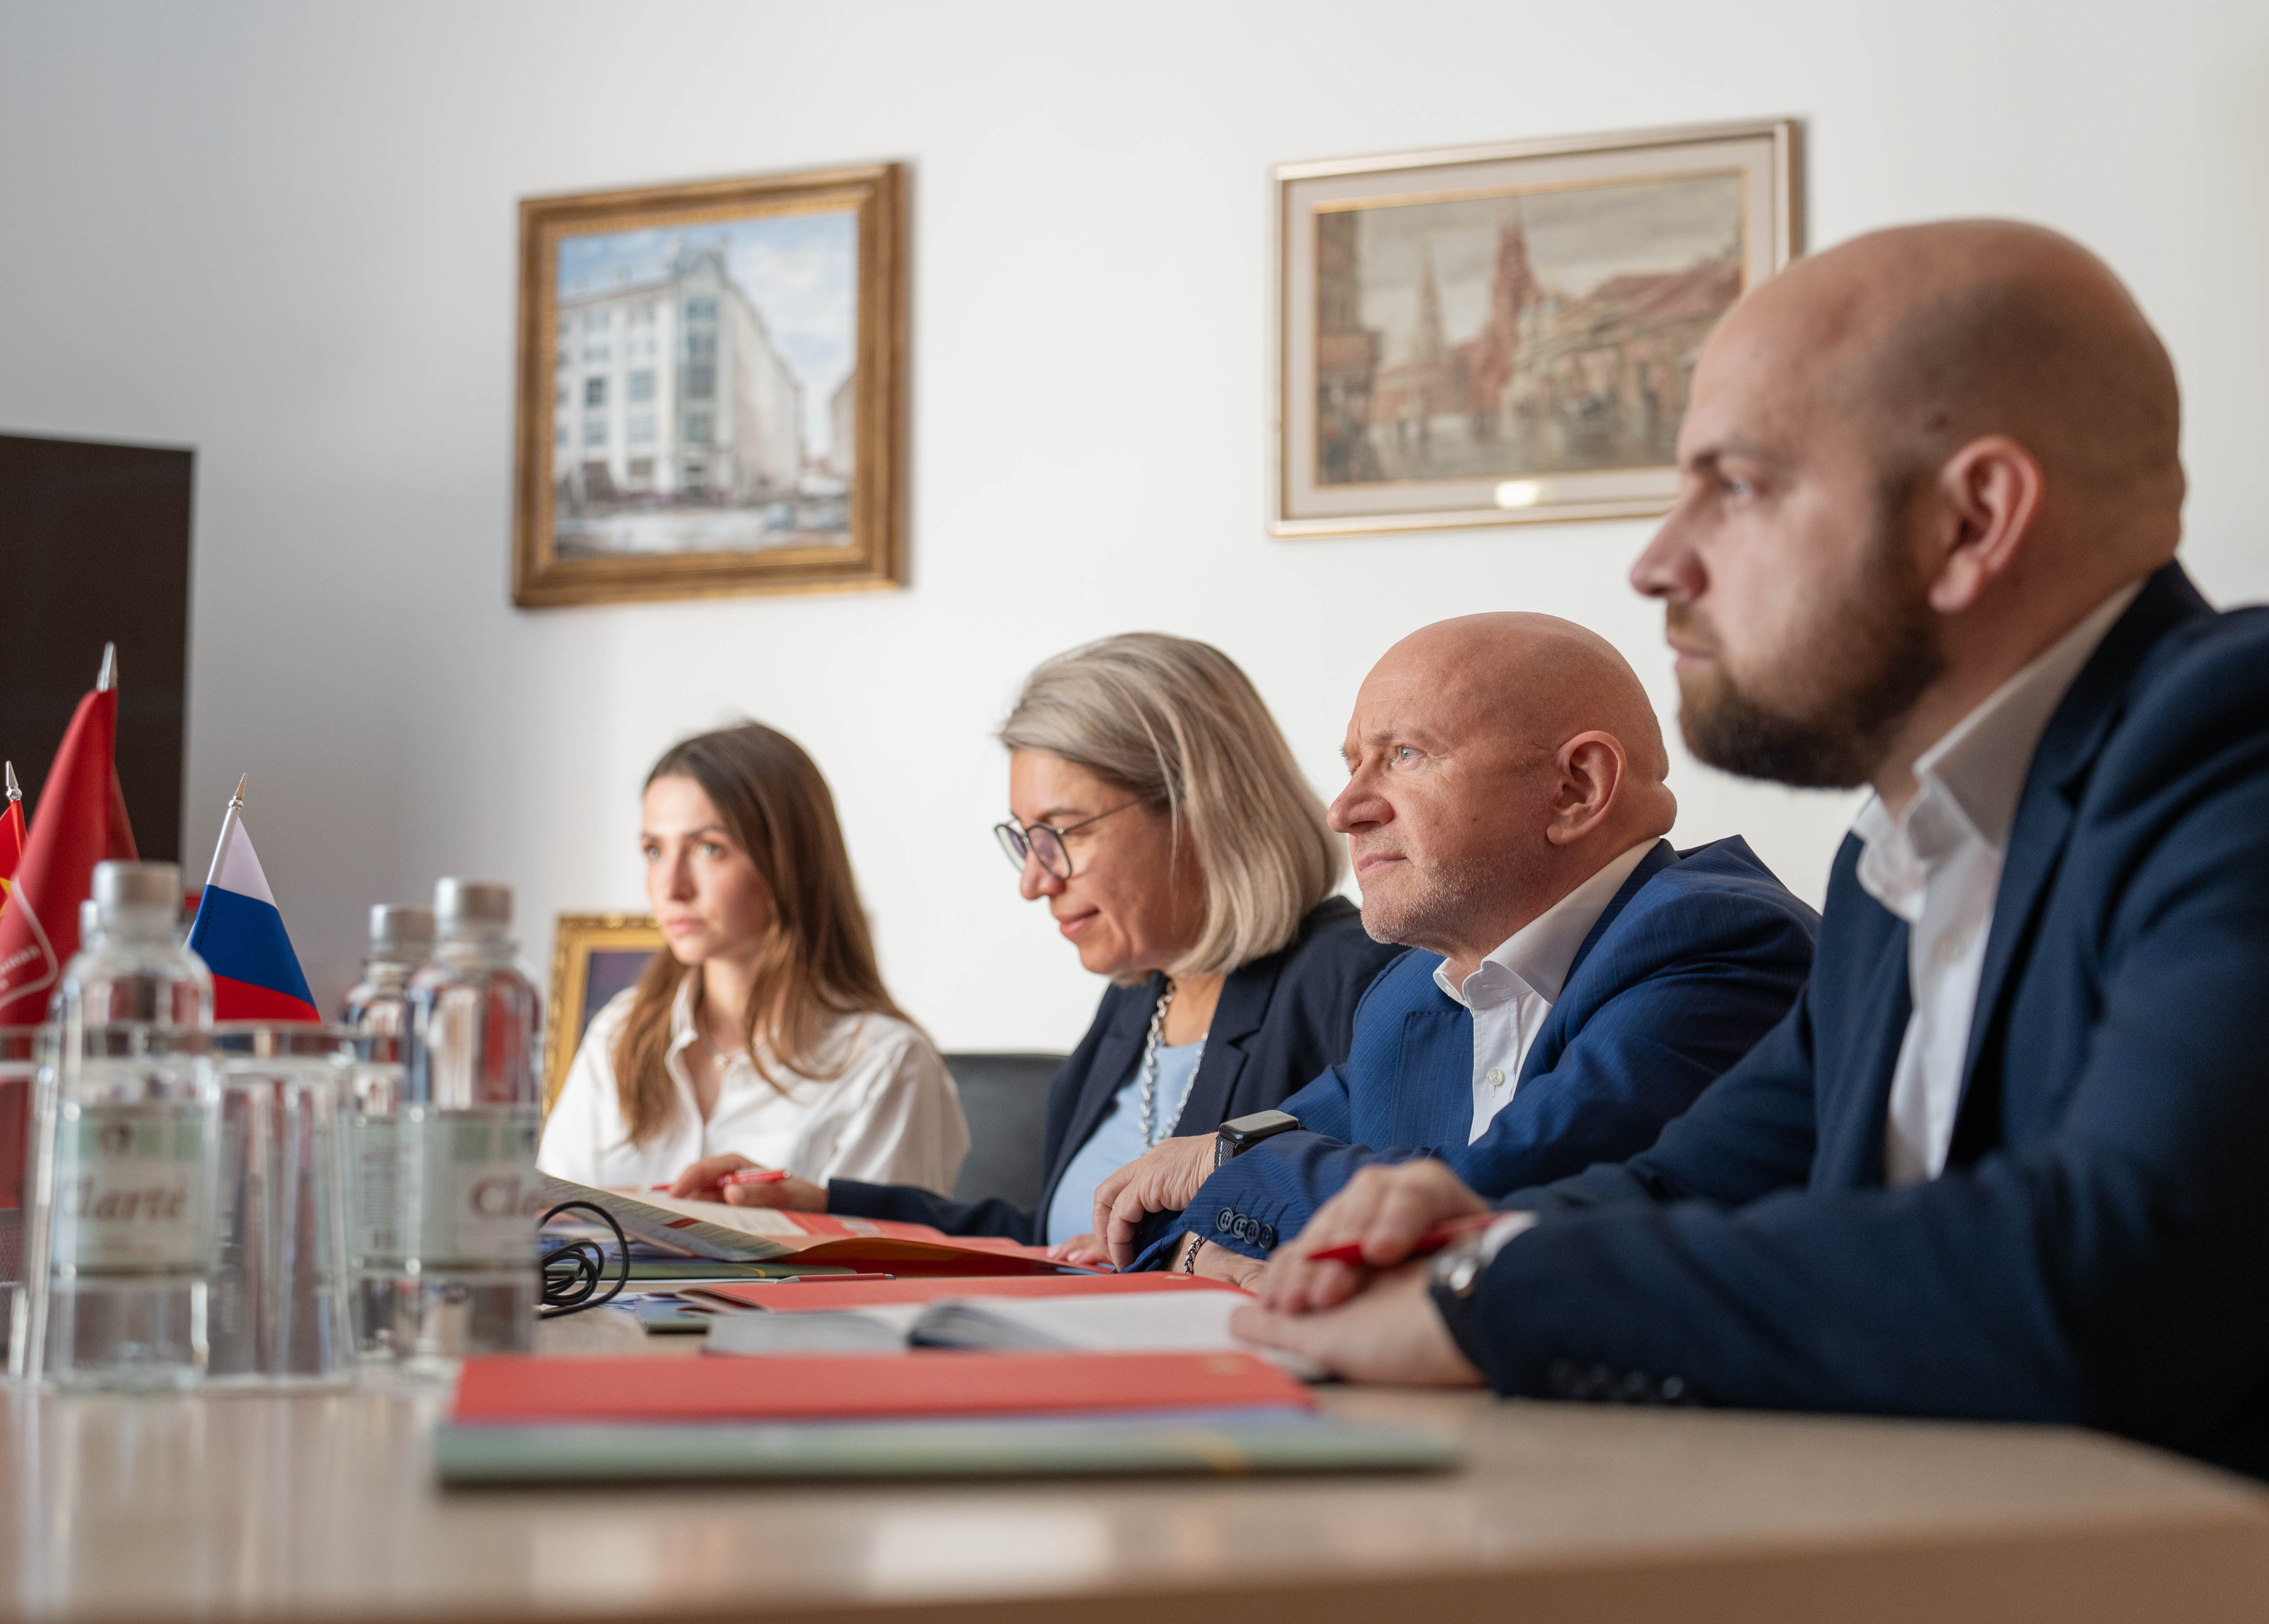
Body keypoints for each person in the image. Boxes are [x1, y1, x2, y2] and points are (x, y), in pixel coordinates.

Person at [1233, 221, 2269, 1479]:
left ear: (1972, 520)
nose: (1654, 562)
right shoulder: (1894, 861)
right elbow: (1688, 1186)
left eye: (1732, 487)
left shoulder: (2232, 745)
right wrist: (1443, 1241)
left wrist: (1487, 1290)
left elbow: (2120, 1267)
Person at [1091, 614, 1819, 1277]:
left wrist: (1220, 1168)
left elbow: (1490, 1204)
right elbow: (1164, 1212)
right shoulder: (1411, 989)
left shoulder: (1719, 943)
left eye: (1405, 755)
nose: (1344, 810)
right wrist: (1210, 1238)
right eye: (1352, 765)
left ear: (1576, 787)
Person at [690, 633, 1402, 1256]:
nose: (1034, 881)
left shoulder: (1357, 982)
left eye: (1062, 832)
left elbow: (1389, 1228)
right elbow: (1051, 1240)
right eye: (1026, 840)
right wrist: (823, 1205)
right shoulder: (1140, 999)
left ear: (1199, 809)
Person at [538, 723, 967, 1194]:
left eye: (709, 849)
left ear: (789, 861)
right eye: (654, 850)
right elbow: (552, 1219)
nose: (671, 887)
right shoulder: (618, 1034)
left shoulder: (888, 1066)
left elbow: (878, 1241)